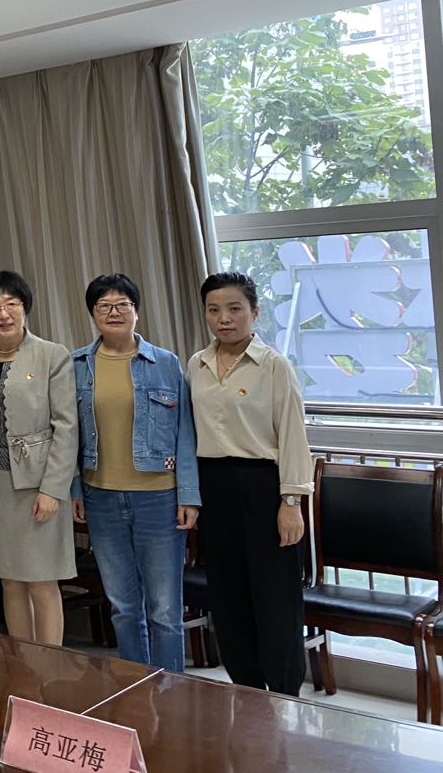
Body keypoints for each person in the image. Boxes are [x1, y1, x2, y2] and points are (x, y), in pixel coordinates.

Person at [187, 271, 312, 695]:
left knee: (275, 597)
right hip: (214, 487)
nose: (224, 318)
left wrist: (291, 502)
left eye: (234, 308)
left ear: (254, 313)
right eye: (214, 310)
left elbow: (293, 435)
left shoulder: (274, 365)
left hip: (264, 487)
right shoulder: (197, 364)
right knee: (228, 596)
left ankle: (285, 695)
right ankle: (246, 690)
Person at [69, 273, 199, 672]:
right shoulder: (77, 366)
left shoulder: (165, 364)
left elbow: (185, 433)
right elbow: (70, 435)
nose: (114, 312)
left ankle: (171, 689)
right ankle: (135, 687)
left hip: (158, 497)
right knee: (124, 607)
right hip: (101, 497)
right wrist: (75, 490)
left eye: (122, 304)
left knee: (164, 609)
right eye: (104, 305)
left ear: (136, 312)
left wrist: (188, 494)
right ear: (93, 314)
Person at [0, 270, 77, 645]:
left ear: (25, 308)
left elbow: (66, 427)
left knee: (42, 580)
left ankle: (50, 663)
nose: (3, 313)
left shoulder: (52, 355)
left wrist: (53, 489)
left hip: (37, 484)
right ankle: (23, 664)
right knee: (9, 580)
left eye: (11, 304)